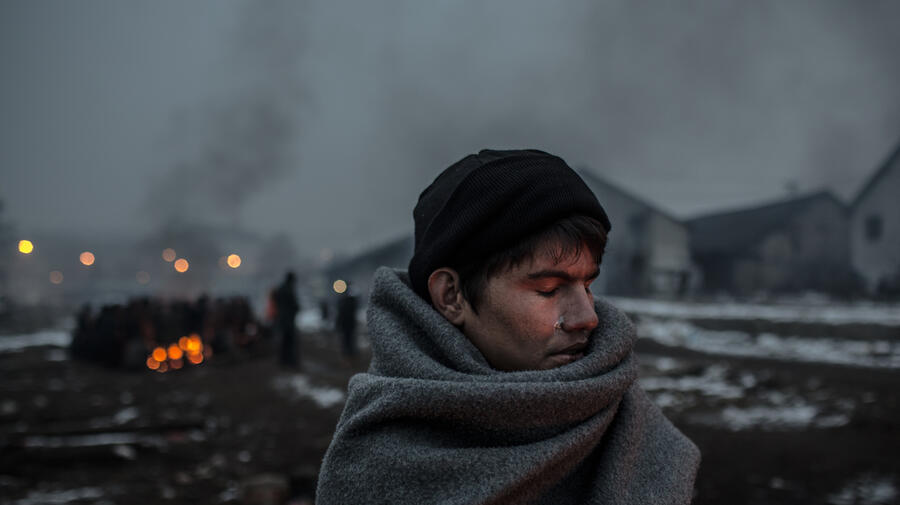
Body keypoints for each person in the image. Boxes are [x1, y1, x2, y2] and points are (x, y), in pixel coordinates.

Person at [316, 149, 699, 504]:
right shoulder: (380, 456)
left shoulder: (633, 429)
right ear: (452, 296)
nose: (588, 317)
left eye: (588, 285)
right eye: (548, 289)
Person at [273, 271, 300, 368]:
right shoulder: (288, 289)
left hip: (282, 319)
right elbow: (294, 304)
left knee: (284, 341)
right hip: (288, 320)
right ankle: (289, 361)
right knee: (289, 342)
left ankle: (283, 361)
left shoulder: (281, 289)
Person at [335, 285, 359, 359]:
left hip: (346, 324)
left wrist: (338, 324)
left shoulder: (343, 301)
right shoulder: (351, 300)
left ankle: (348, 354)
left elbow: (340, 313)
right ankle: (350, 354)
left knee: (347, 340)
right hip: (349, 324)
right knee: (349, 340)